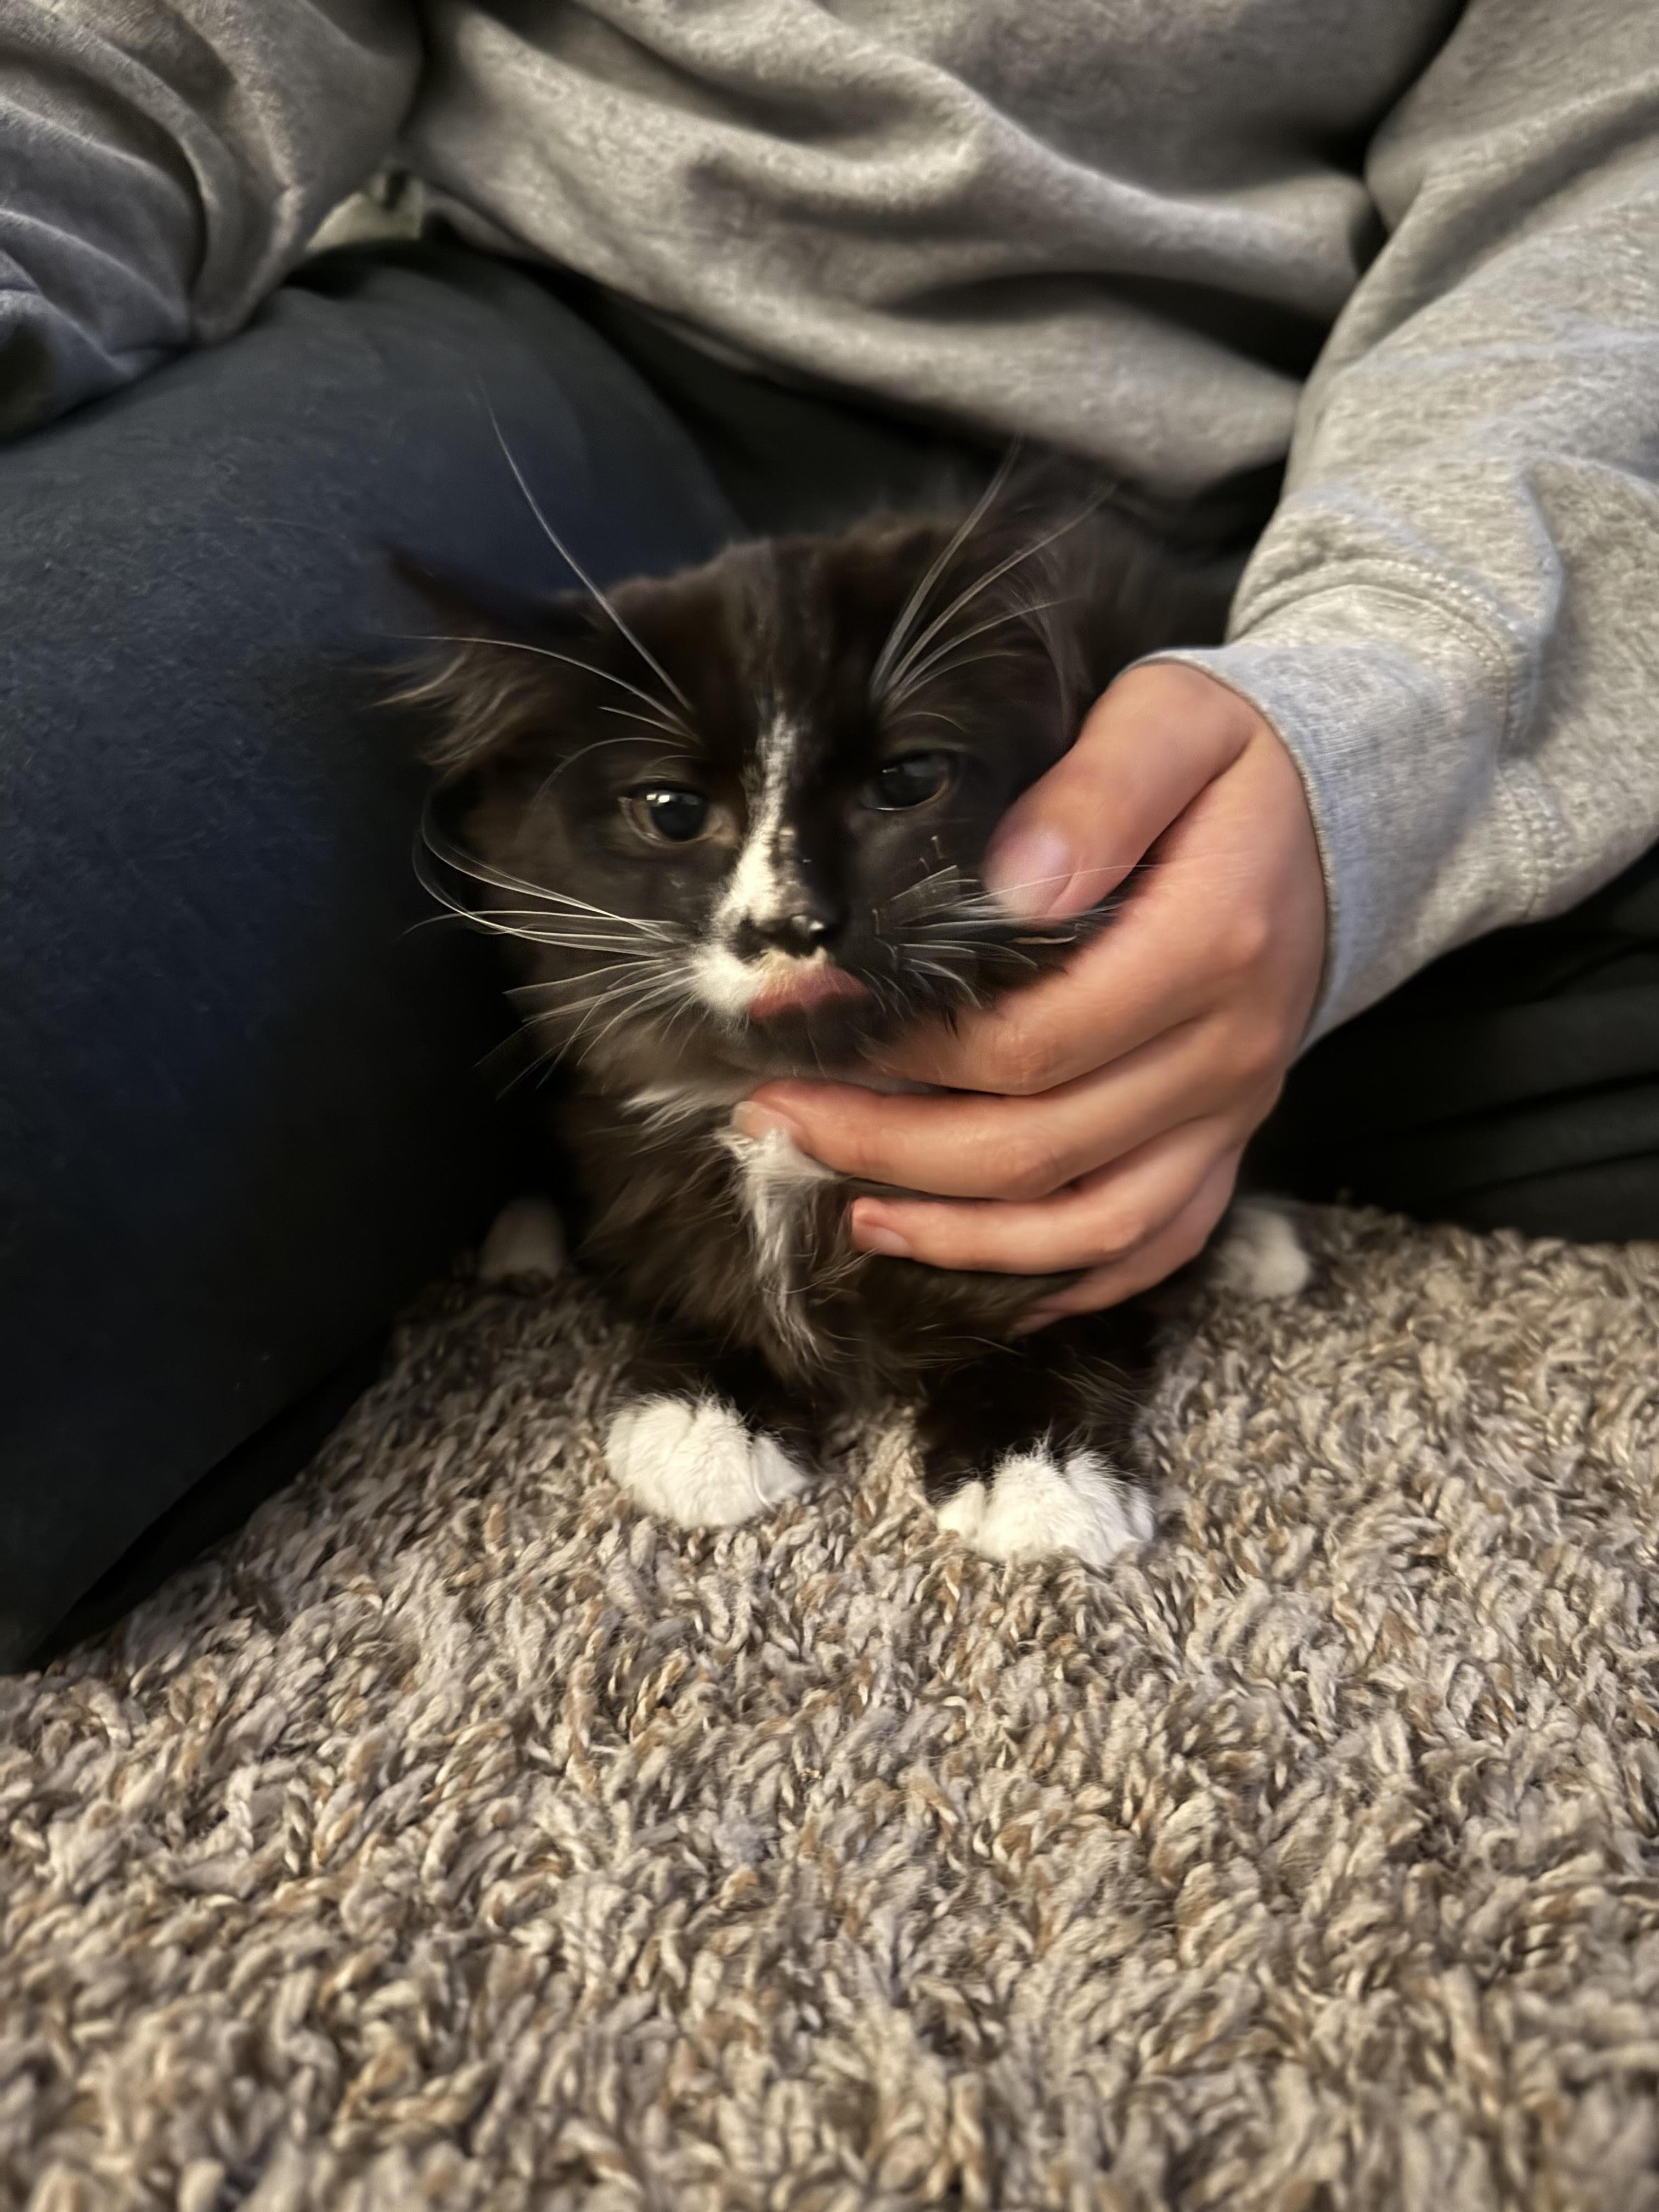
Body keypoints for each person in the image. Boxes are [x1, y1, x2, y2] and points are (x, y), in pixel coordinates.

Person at [3, 0, 1657, 1667]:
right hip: (571, 354)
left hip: (1337, 436)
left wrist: (1381, 726)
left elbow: (1608, 153)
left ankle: (1160, 1085)